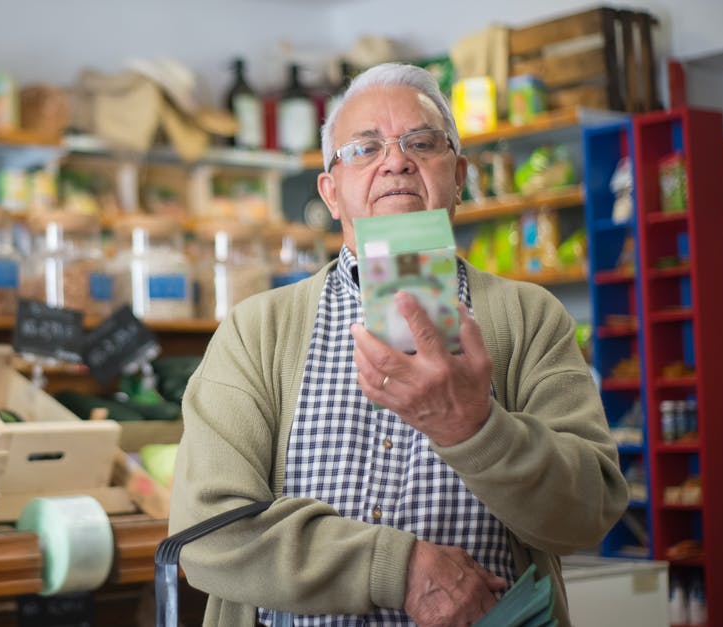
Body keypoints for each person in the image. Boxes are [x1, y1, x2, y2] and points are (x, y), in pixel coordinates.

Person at [168, 63, 628, 627]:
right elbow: (205, 532)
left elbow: (585, 517)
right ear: (331, 193)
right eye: (364, 149)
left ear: (459, 177)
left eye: (422, 142)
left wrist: (476, 430)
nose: (396, 160)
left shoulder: (529, 317)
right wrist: (400, 568)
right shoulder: (256, 330)